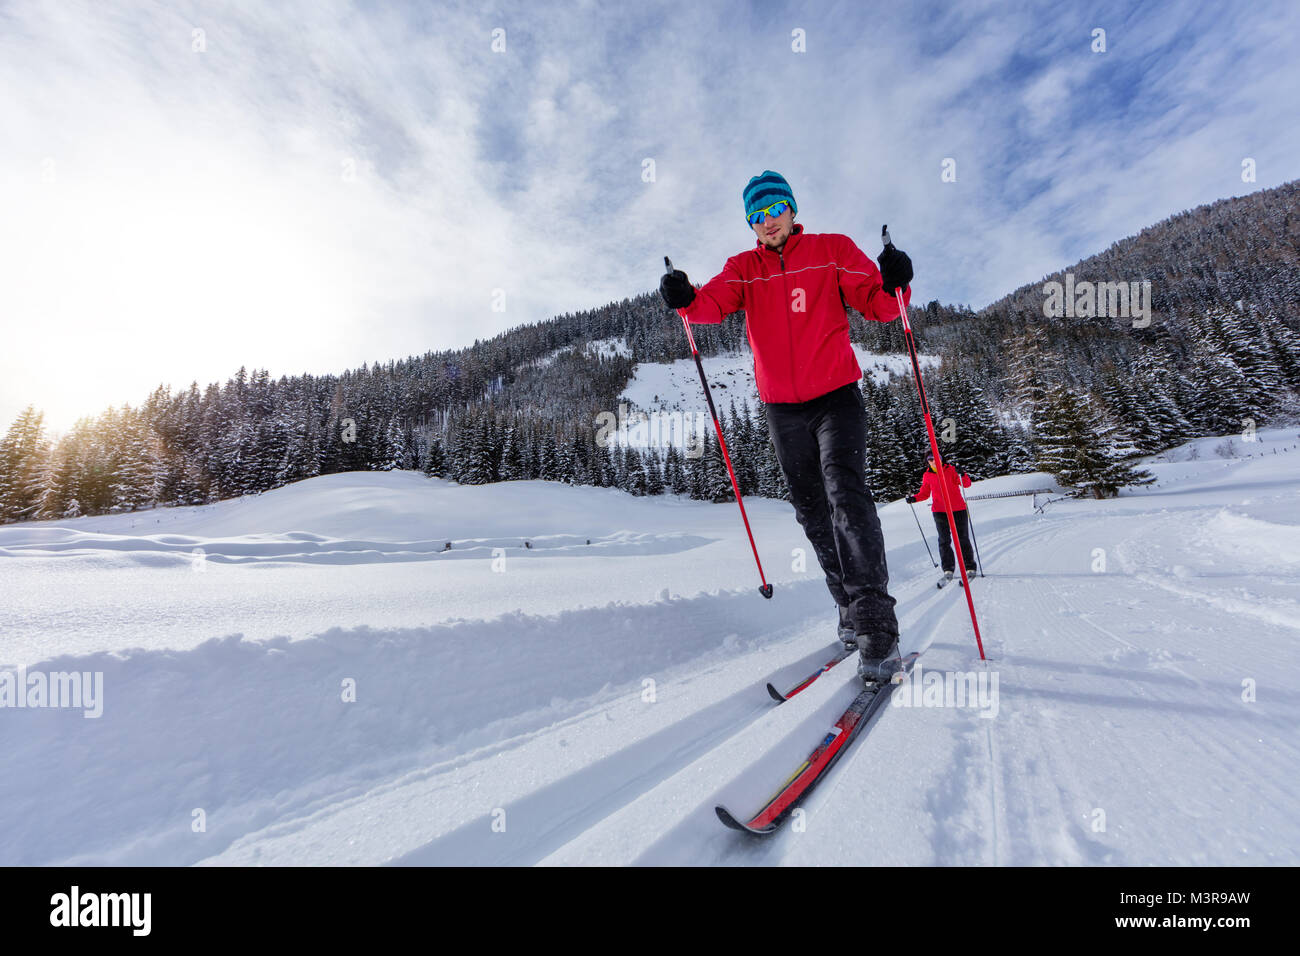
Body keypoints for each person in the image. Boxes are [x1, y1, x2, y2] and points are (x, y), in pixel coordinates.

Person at [659, 170, 914, 682]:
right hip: (782, 408)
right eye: (756, 216)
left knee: (846, 495)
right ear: (750, 225)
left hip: (836, 396)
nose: (767, 221)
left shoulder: (832, 249)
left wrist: (896, 281)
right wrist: (684, 295)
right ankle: (846, 606)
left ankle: (876, 626)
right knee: (812, 511)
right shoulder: (743, 268)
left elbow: (880, 305)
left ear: (792, 209)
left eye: (774, 209)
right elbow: (708, 306)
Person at [907, 457, 975, 584]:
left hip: (958, 509)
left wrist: (962, 473)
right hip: (939, 511)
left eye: (936, 458)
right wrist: (914, 499)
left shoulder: (951, 470)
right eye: (930, 459)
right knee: (944, 540)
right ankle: (948, 569)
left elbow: (966, 484)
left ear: (941, 458)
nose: (933, 461)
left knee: (962, 538)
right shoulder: (927, 475)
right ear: (927, 461)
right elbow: (925, 493)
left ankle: (970, 567)